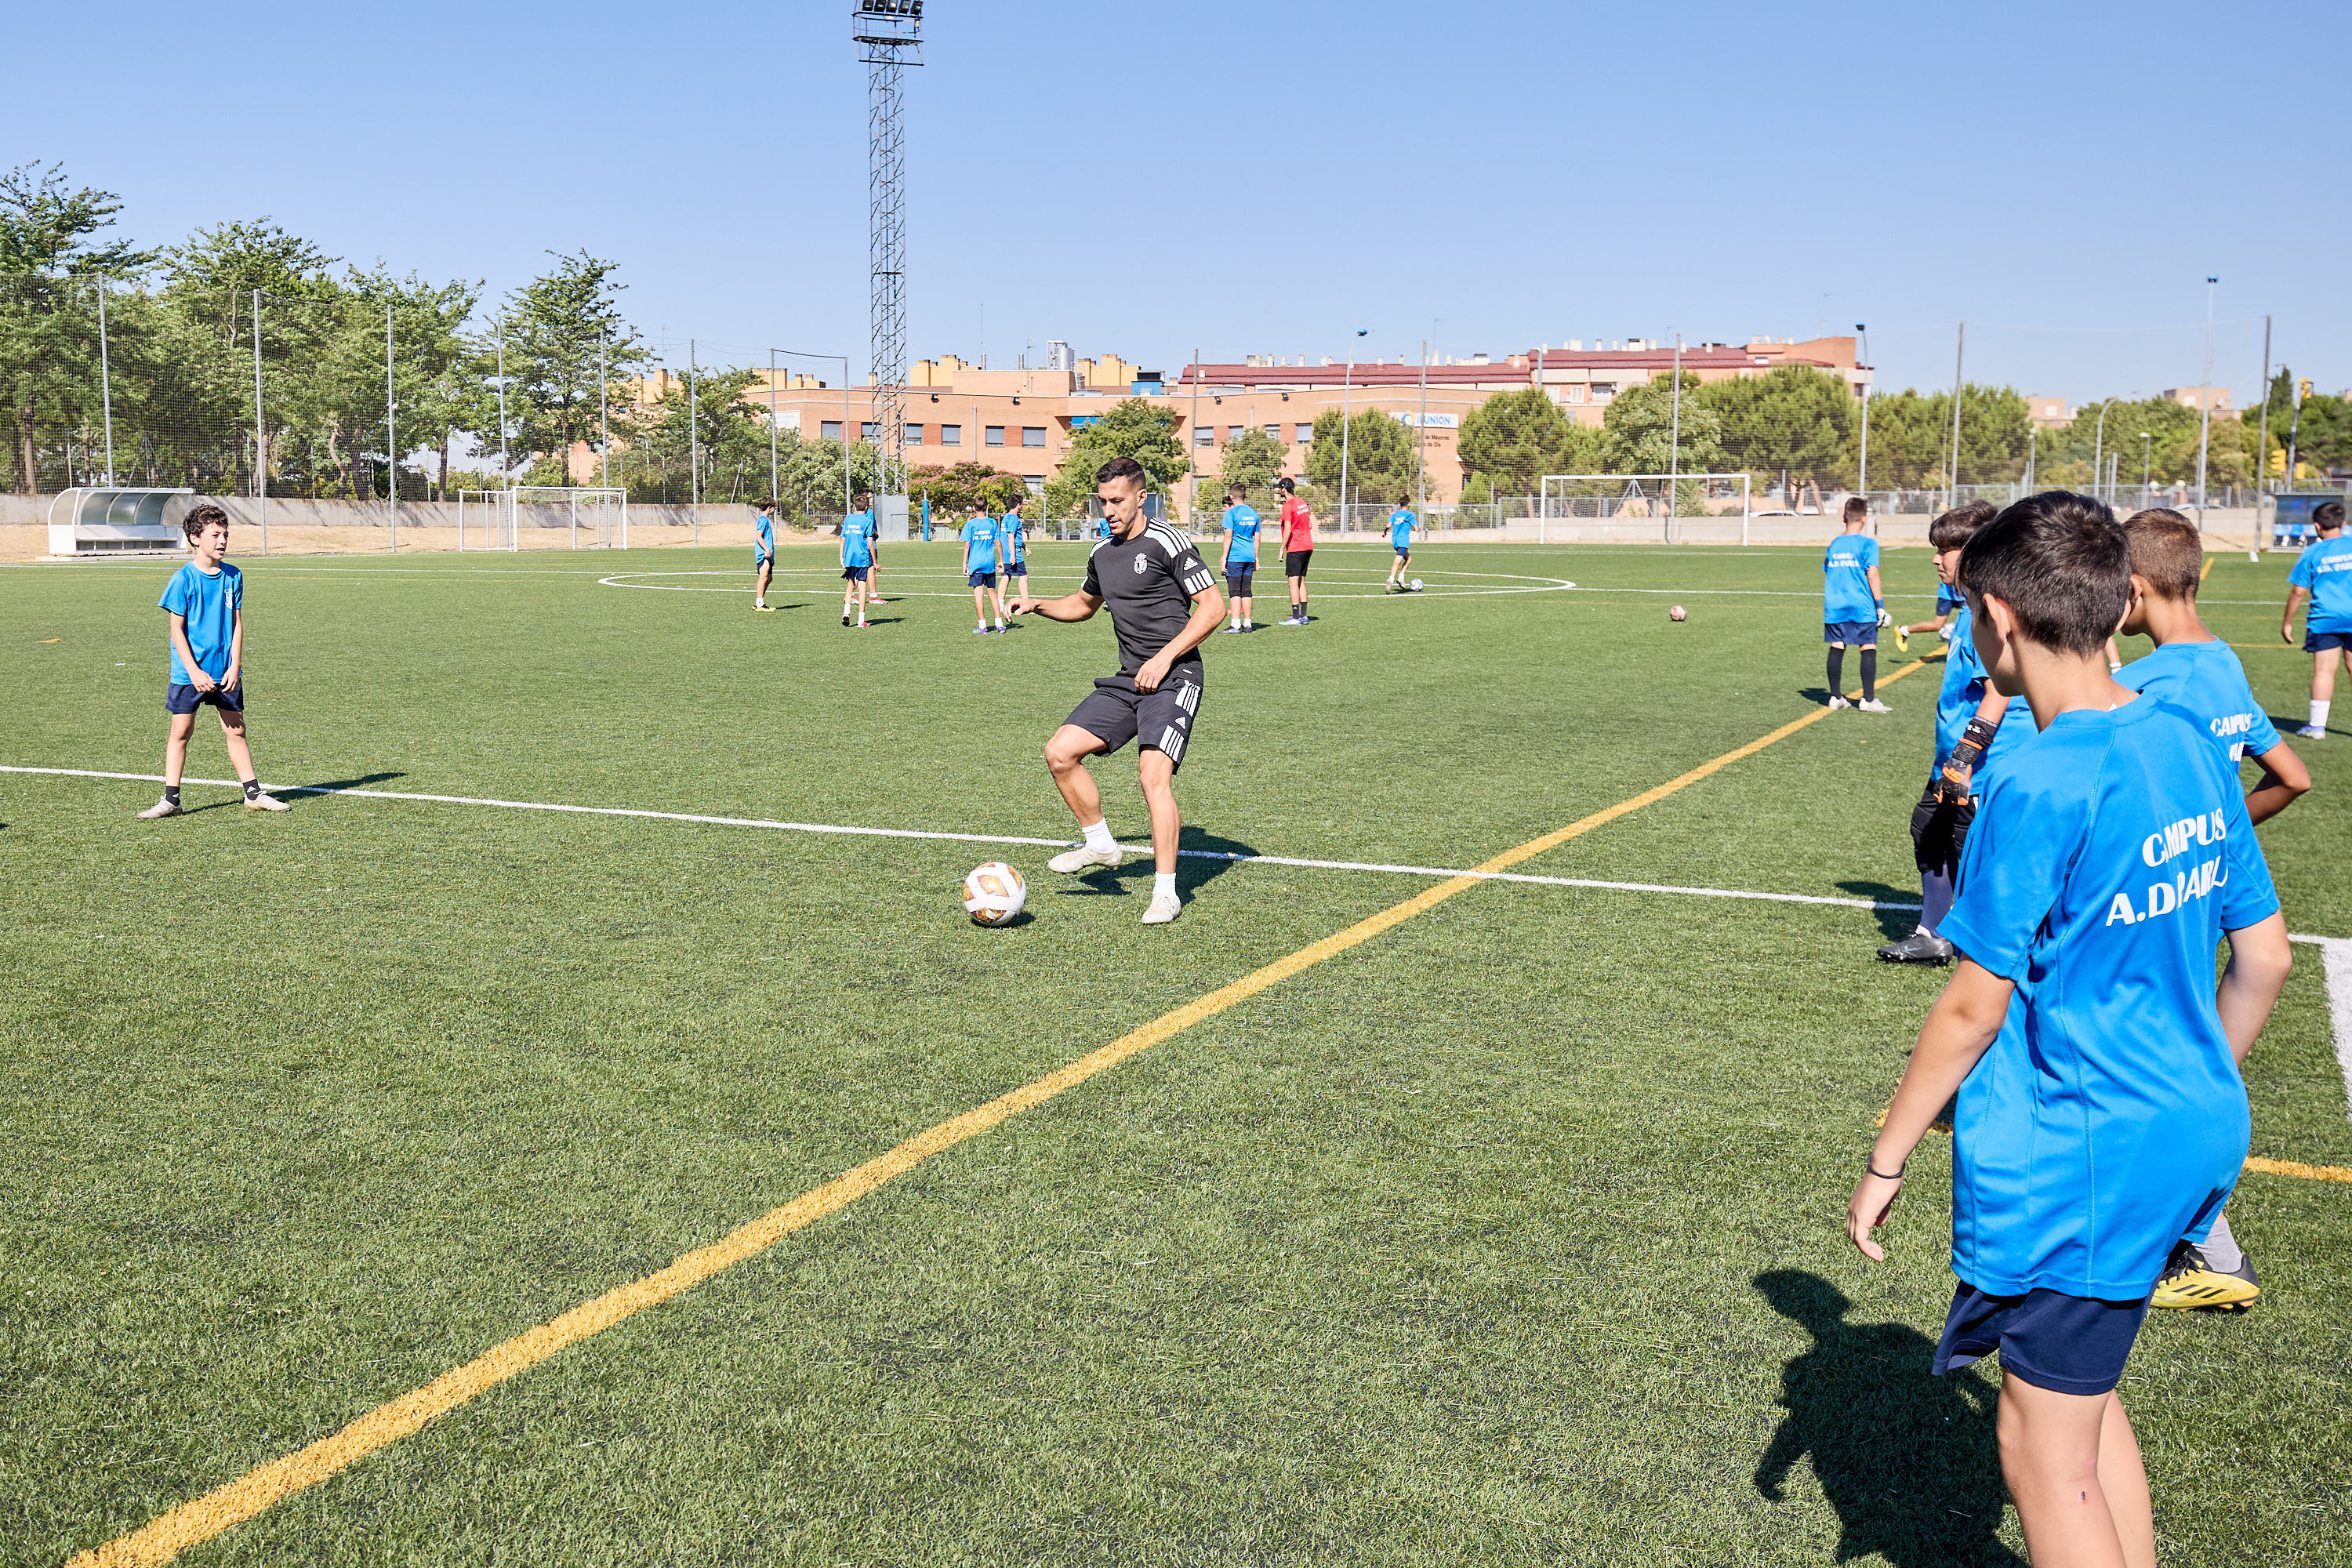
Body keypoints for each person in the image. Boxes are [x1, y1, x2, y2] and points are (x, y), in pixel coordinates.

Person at [1849, 492, 2291, 1568]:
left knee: (2043, 1456)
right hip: (2194, 1127)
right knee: (2085, 1411)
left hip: (2084, 1151)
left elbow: (1973, 1003)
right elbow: (2266, 957)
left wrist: (1886, 1157)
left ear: (1998, 617)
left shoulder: (2037, 776)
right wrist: (2187, 1079)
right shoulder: (2185, 737)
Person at [2116, 506, 2311, 1314]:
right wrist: (2223, 832)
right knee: (2193, 1068)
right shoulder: (2222, 661)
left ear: (2132, 590)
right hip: (2215, 872)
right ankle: (2206, 1243)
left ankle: (2199, 1247)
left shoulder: (2150, 687)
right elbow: (2293, 776)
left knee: (2166, 1078)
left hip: (2162, 892)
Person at [1011, 457, 1224, 926]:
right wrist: (1038, 603)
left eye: (1117, 501)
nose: (1108, 511)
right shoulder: (1101, 553)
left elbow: (1213, 607)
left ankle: (1166, 892)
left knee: (1153, 778)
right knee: (1060, 753)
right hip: (1129, 678)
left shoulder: (1168, 542)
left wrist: (1164, 657)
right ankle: (1101, 845)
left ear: (1141, 497)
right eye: (1103, 502)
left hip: (1175, 677)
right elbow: (1083, 605)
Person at [1878, 501, 2024, 966]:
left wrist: (1963, 758)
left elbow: (2000, 689)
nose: (1937, 559)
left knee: (1970, 852)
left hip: (1985, 765)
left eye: (1947, 549)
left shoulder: (1991, 611)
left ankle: (1986, 952)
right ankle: (1935, 933)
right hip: (1955, 761)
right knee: (1929, 831)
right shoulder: (1968, 608)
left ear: (1978, 551)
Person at [136, 504, 291, 818]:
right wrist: (194, 671)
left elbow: (236, 624)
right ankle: (171, 800)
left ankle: (253, 794)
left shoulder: (234, 576)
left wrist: (235, 665)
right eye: (215, 535)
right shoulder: (183, 579)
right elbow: (176, 631)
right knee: (182, 731)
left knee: (236, 730)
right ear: (195, 538)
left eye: (226, 535)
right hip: (189, 674)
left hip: (225, 671)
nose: (222, 541)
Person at [2282, 498, 2350, 739]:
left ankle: (2317, 727)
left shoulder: (2313, 552)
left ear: (2317, 526)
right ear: (2343, 523)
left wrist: (2287, 623)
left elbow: (2298, 592)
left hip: (2325, 619)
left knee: (2324, 670)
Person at [1822, 495, 1890, 711]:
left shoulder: (1834, 544)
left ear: (1844, 517)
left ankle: (1835, 697)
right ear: (1864, 518)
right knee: (1867, 646)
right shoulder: (1868, 544)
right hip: (1861, 605)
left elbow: (1828, 571)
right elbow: (1873, 575)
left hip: (1835, 606)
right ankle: (1868, 700)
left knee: (1837, 645)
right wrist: (1880, 605)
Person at [1218, 483, 1261, 633]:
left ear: (1231, 497)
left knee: (1235, 590)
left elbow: (1228, 536)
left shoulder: (1231, 513)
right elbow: (1257, 538)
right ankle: (1248, 624)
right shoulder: (1253, 513)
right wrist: (1256, 557)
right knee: (1247, 590)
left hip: (1235, 556)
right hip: (1249, 555)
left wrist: (1224, 557)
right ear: (1245, 496)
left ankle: (1236, 624)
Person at [960, 505, 1007, 633]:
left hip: (975, 563)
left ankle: (983, 626)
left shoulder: (970, 524)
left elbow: (967, 545)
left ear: (974, 507)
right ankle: (999, 625)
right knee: (992, 593)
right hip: (989, 563)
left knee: (978, 594)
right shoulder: (992, 522)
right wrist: (1001, 560)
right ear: (987, 507)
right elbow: (998, 543)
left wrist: (964, 564)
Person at [1276, 475, 1315, 626]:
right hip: (1308, 545)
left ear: (1284, 489)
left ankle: (1296, 617)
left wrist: (1282, 548)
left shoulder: (1288, 506)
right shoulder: (1302, 502)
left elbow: (1288, 530)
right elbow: (1310, 525)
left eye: (1279, 488)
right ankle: (1304, 616)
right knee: (1301, 581)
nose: (1279, 491)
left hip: (1296, 547)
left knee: (1292, 581)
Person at [840, 492, 878, 628]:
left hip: (849, 557)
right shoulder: (867, 521)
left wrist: (841, 557)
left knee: (851, 583)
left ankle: (846, 612)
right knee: (862, 585)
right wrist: (875, 562)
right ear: (866, 507)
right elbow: (870, 544)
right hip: (862, 557)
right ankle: (861, 620)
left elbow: (843, 538)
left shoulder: (848, 519)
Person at [1002, 494, 1031, 604]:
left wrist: (1025, 547)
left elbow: (1014, 537)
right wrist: (1013, 555)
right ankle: (1026, 602)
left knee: (1006, 576)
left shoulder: (1006, 517)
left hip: (1005, 553)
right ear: (1018, 505)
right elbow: (1011, 536)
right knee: (1023, 576)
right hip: (1013, 554)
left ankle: (1000, 603)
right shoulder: (1014, 519)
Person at [1385, 496, 1417, 592]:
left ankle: (1401, 577)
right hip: (1403, 541)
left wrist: (1384, 532)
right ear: (1408, 504)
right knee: (1397, 562)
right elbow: (1416, 529)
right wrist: (1417, 529)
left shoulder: (1395, 515)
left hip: (1395, 541)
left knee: (1408, 559)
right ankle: (1391, 579)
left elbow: (1388, 525)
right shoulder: (1410, 515)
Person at [751, 498, 778, 612]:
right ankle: (759, 604)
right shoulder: (763, 520)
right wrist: (767, 550)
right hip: (763, 554)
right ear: (769, 508)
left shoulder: (765, 520)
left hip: (768, 555)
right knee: (763, 577)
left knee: (769, 578)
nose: (775, 510)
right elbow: (758, 536)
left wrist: (772, 556)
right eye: (774, 508)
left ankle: (759, 602)